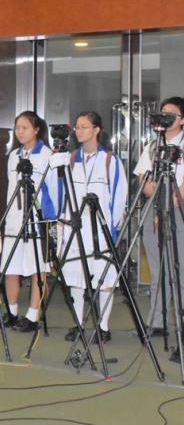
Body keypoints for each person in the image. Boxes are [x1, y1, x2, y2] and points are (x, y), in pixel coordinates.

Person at [59, 111, 127, 343]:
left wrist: (111, 227)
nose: (79, 131)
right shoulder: (71, 159)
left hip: (100, 230)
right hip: (75, 229)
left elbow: (119, 196)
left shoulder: (109, 160)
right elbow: (65, 196)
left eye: (84, 127)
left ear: (97, 130)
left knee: (105, 279)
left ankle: (103, 327)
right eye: (77, 127)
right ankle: (78, 324)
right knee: (76, 279)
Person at [0, 111, 58, 332]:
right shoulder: (14, 155)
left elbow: (54, 191)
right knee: (10, 268)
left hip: (37, 222)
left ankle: (33, 316)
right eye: (17, 128)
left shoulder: (47, 156)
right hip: (14, 220)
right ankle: (12, 313)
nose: (20, 132)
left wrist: (51, 220)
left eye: (25, 128)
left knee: (37, 270)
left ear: (36, 130)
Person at [134, 96, 184, 337]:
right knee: (158, 269)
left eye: (171, 114)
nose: (165, 117)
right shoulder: (153, 145)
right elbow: (142, 177)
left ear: (182, 119)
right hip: (154, 209)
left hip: (179, 212)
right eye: (162, 112)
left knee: (180, 269)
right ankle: (157, 321)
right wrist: (154, 190)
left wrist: (175, 195)